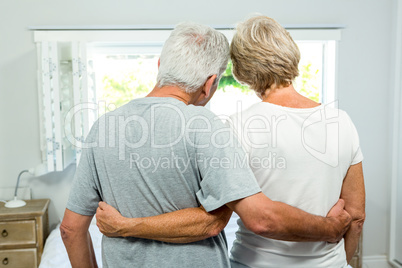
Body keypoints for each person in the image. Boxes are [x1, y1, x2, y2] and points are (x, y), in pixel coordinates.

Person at [61, 22, 351, 268]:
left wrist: (126, 226)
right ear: (210, 83)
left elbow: (71, 229)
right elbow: (217, 222)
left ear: (160, 66)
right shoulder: (205, 126)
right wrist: (330, 228)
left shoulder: (102, 128)